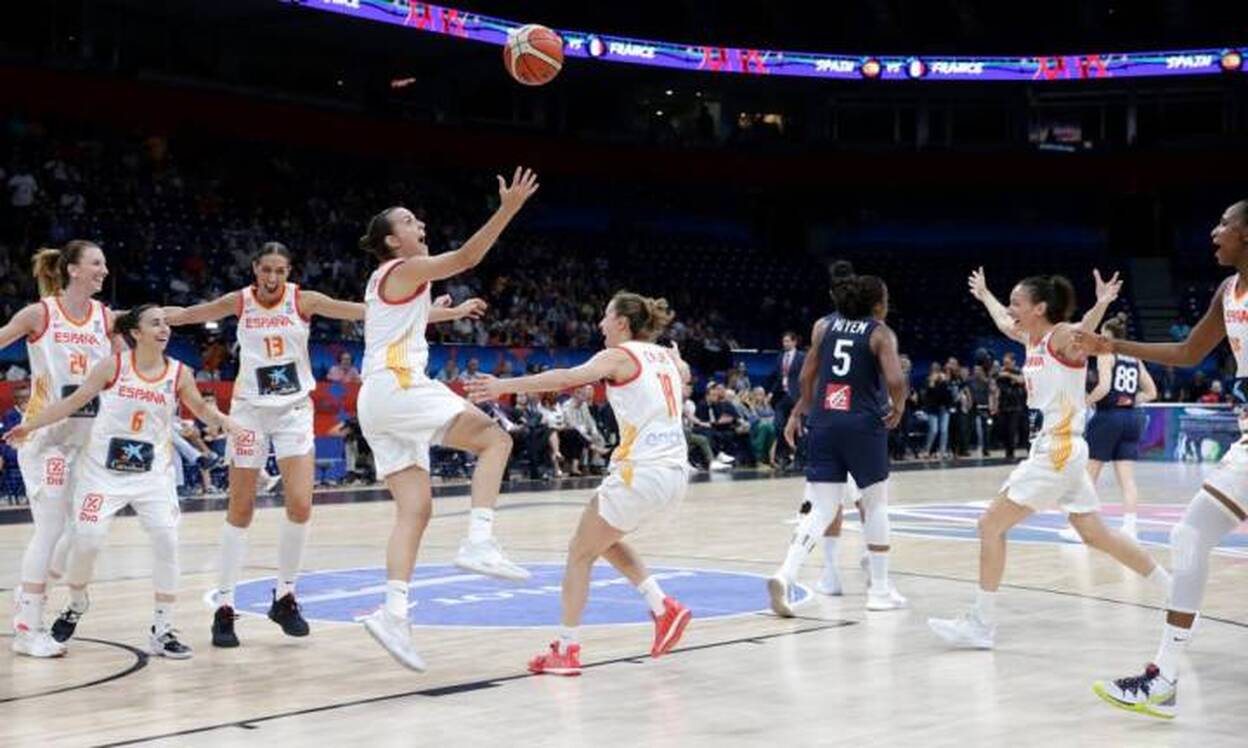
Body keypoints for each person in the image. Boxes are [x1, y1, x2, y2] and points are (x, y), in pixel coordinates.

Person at [165, 241, 488, 648]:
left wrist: (450, 313)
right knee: (240, 508)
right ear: (254, 269)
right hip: (249, 411)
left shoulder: (305, 300)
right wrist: (134, 317)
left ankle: (285, 597)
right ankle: (225, 607)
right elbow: (188, 314)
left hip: (293, 410)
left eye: (280, 270)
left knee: (300, 505)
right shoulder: (239, 301)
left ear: (289, 272)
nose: (272, 277)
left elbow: (375, 312)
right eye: (266, 269)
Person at [928, 268, 1170, 651]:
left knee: (990, 525)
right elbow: (1003, 322)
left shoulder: (1060, 337)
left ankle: (981, 623)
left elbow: (1081, 333)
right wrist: (985, 295)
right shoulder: (1030, 338)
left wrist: (1102, 303)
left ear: (1039, 308)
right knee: (1096, 534)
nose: (1011, 310)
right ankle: (1173, 591)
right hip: (1062, 449)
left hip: (1057, 449)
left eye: (1017, 303)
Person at [355, 167, 538, 670]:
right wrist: (508, 209)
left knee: (415, 509)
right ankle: (479, 540)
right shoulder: (402, 269)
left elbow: (394, 321)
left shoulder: (388, 281)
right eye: (410, 222)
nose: (420, 225)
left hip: (376, 400)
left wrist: (444, 316)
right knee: (496, 441)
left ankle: (393, 615)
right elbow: (467, 258)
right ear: (393, 241)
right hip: (398, 385)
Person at [1080, 199, 1248, 719]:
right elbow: (1187, 354)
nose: (1214, 230)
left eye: (1225, 223)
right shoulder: (1227, 292)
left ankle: (1164, 677)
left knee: (1191, 533)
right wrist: (1110, 345)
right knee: (1190, 533)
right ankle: (1164, 677)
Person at [467, 291, 694, 676]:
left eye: (606, 316)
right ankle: (663, 607)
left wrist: (505, 385)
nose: (601, 323)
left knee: (578, 552)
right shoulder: (664, 358)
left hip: (642, 472)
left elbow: (567, 378)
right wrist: (678, 360)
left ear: (622, 322)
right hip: (674, 474)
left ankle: (567, 650)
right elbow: (684, 374)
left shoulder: (620, 355)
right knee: (601, 541)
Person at [4, 305, 244, 658]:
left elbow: (200, 409)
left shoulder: (180, 372)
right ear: (135, 332)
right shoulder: (112, 366)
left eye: (165, 324)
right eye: (155, 323)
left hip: (152, 474)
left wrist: (224, 420)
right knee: (85, 540)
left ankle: (162, 629)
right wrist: (31, 424)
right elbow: (72, 402)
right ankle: (76, 602)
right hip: (103, 473)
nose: (164, 329)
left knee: (167, 539)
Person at [767, 273, 908, 614]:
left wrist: (808, 407)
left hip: (825, 421)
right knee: (874, 505)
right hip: (862, 423)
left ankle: (785, 575)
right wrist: (899, 405)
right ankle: (879, 592)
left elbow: (804, 377)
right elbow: (894, 379)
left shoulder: (824, 328)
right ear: (877, 304)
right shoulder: (879, 333)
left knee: (821, 508)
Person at [0, 241, 115, 658]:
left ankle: (30, 594)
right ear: (72, 269)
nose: (104, 270)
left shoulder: (105, 319)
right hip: (46, 438)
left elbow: (153, 332)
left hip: (88, 441)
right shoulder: (41, 313)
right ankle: (28, 628)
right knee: (50, 529)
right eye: (96, 263)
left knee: (83, 532)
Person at [1059, 314, 1156, 543]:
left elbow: (1103, 387)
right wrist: (1129, 400)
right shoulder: (1135, 359)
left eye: (1101, 334)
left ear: (1109, 336)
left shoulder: (1106, 354)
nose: (1098, 338)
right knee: (1127, 480)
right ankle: (1130, 528)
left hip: (1108, 418)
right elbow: (1152, 392)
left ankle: (1080, 529)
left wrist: (1087, 401)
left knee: (1088, 476)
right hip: (1132, 418)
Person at [770, 331, 805, 467]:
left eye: (788, 341)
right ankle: (785, 454)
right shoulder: (780, 357)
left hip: (797, 396)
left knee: (799, 428)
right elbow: (778, 378)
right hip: (782, 396)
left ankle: (799, 458)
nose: (785, 344)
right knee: (779, 425)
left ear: (794, 342)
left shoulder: (802, 357)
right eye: (784, 341)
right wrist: (771, 393)